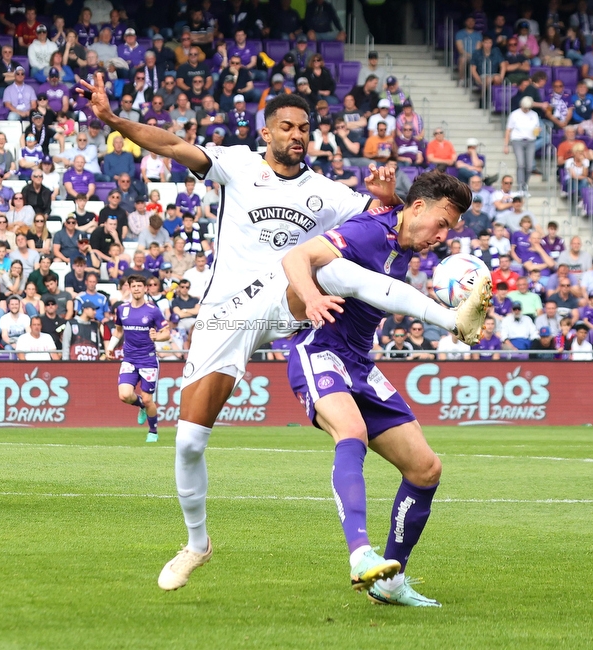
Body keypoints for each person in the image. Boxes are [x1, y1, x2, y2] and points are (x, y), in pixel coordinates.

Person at [77, 76, 425, 592]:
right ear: (267, 133)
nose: (297, 135)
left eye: (305, 128)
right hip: (227, 314)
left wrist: (388, 198)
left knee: (325, 270)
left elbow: (392, 226)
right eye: (287, 127)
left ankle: (434, 318)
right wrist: (113, 121)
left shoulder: (330, 194)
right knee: (190, 441)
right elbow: (172, 144)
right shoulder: (237, 165)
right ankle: (197, 544)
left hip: (287, 304)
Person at [281, 174, 491, 607]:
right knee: (351, 431)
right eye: (442, 223)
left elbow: (397, 217)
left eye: (449, 229)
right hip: (319, 349)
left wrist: (391, 198)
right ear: (418, 209)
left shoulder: (398, 233)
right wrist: (311, 297)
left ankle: (390, 582)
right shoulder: (367, 231)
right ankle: (360, 555)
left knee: (426, 469)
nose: (442, 235)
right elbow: (297, 257)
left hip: (360, 363)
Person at [106, 275, 171, 442]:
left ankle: (153, 432)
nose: (136, 289)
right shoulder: (122, 309)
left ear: (145, 289)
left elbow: (167, 333)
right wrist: (111, 346)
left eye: (139, 286)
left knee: (149, 399)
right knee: (124, 396)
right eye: (133, 286)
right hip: (129, 359)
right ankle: (141, 405)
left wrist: (157, 337)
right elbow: (118, 331)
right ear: (129, 288)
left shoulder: (152, 310)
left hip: (148, 360)